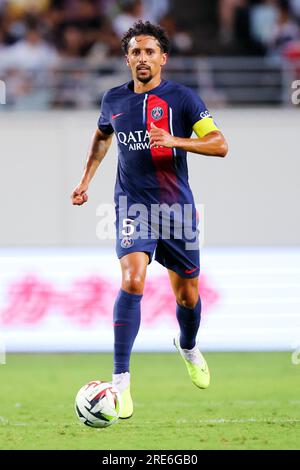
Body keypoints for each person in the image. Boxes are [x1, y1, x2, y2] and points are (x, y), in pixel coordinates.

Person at [71, 20, 228, 419]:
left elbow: (220, 145)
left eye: (150, 51)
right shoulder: (113, 100)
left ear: (163, 58)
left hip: (176, 209)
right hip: (132, 206)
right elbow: (103, 135)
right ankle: (121, 381)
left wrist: (175, 139)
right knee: (132, 279)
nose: (143, 58)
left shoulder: (182, 98)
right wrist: (85, 179)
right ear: (127, 59)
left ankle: (188, 345)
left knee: (187, 295)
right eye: (136, 52)